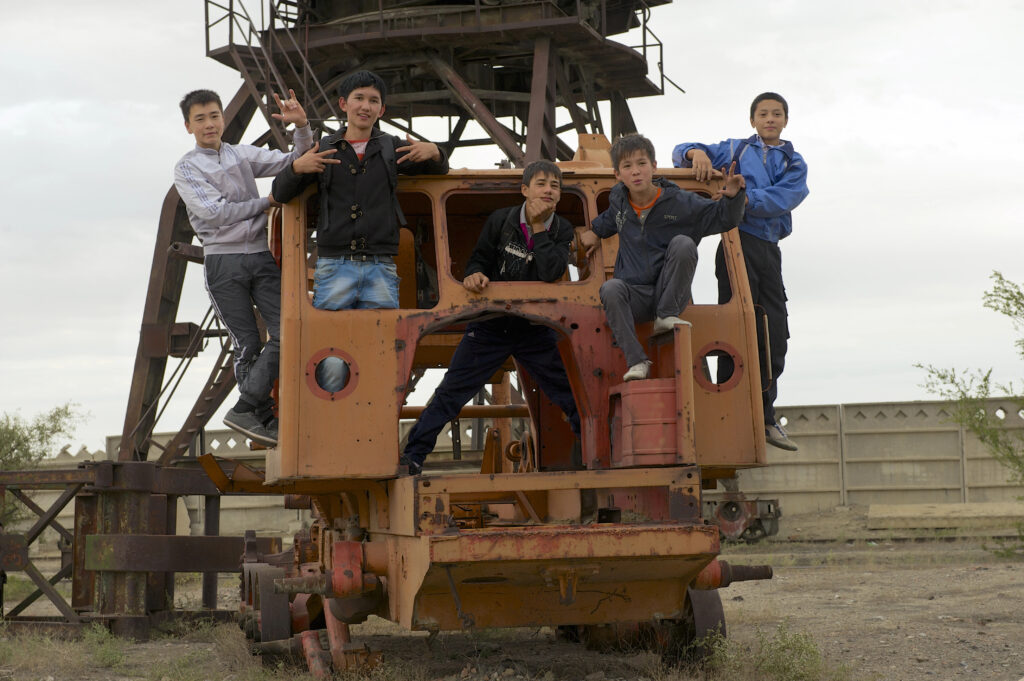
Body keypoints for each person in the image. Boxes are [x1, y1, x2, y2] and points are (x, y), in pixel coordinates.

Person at [271, 70, 450, 392]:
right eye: (359, 98)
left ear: (382, 110)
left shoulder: (391, 148)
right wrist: (296, 168)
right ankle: (333, 416)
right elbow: (281, 192)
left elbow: (439, 168)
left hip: (381, 265)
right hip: (334, 265)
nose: (365, 106)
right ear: (344, 104)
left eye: (373, 101)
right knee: (332, 351)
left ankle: (375, 416)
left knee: (381, 350)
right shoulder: (325, 147)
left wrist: (436, 151)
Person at [399, 161, 580, 475]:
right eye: (541, 184)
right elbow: (479, 259)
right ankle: (413, 457)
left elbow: (551, 271)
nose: (548, 190)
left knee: (569, 393)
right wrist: (474, 275)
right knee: (451, 393)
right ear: (525, 190)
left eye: (555, 186)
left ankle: (595, 454)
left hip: (534, 327)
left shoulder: (561, 229)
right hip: (491, 324)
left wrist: (539, 227)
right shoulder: (502, 220)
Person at [174, 88, 330, 446]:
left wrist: (301, 127)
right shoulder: (186, 167)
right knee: (247, 343)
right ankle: (261, 417)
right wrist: (267, 202)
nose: (209, 124)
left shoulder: (241, 154)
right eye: (200, 119)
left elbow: (295, 161)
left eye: (214, 116)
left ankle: (245, 408)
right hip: (223, 261)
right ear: (188, 126)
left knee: (289, 329)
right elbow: (213, 212)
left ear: (222, 118)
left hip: (260, 255)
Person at [671, 92, 809, 451]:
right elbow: (680, 150)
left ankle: (765, 417)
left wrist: (744, 199)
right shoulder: (735, 148)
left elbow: (787, 196)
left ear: (785, 121)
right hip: (735, 244)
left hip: (769, 250)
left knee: (773, 333)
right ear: (752, 121)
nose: (770, 119)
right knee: (732, 328)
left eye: (776, 114)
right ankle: (726, 413)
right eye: (763, 114)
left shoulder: (794, 161)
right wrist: (695, 153)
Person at [579, 133, 746, 381]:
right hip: (635, 295)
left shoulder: (679, 202)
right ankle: (637, 362)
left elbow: (722, 218)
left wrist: (734, 198)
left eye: (642, 163)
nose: (636, 171)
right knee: (610, 288)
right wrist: (594, 232)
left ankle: (666, 315)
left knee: (683, 244)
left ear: (654, 166)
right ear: (618, 174)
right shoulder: (618, 200)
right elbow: (611, 218)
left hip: (667, 291)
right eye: (627, 166)